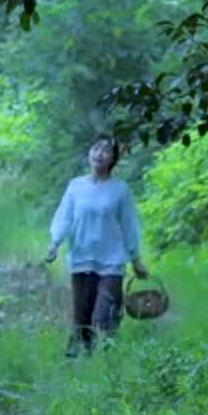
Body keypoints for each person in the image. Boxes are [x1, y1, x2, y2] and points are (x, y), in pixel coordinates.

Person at [45, 135, 148, 357]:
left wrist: (136, 259)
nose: (99, 154)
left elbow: (129, 224)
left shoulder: (120, 190)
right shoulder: (75, 186)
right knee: (81, 316)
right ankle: (80, 359)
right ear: (89, 153)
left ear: (113, 159)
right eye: (96, 149)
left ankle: (108, 357)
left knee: (105, 314)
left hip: (111, 261)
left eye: (105, 151)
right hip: (81, 258)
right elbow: (64, 217)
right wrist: (54, 243)